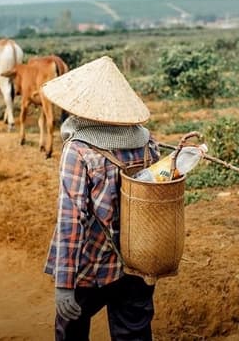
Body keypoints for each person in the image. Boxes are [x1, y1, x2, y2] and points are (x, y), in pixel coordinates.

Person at [41, 56, 160, 341]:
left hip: (92, 264)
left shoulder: (79, 149)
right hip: (139, 259)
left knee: (70, 331)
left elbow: (71, 220)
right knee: (134, 334)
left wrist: (64, 283)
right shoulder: (147, 141)